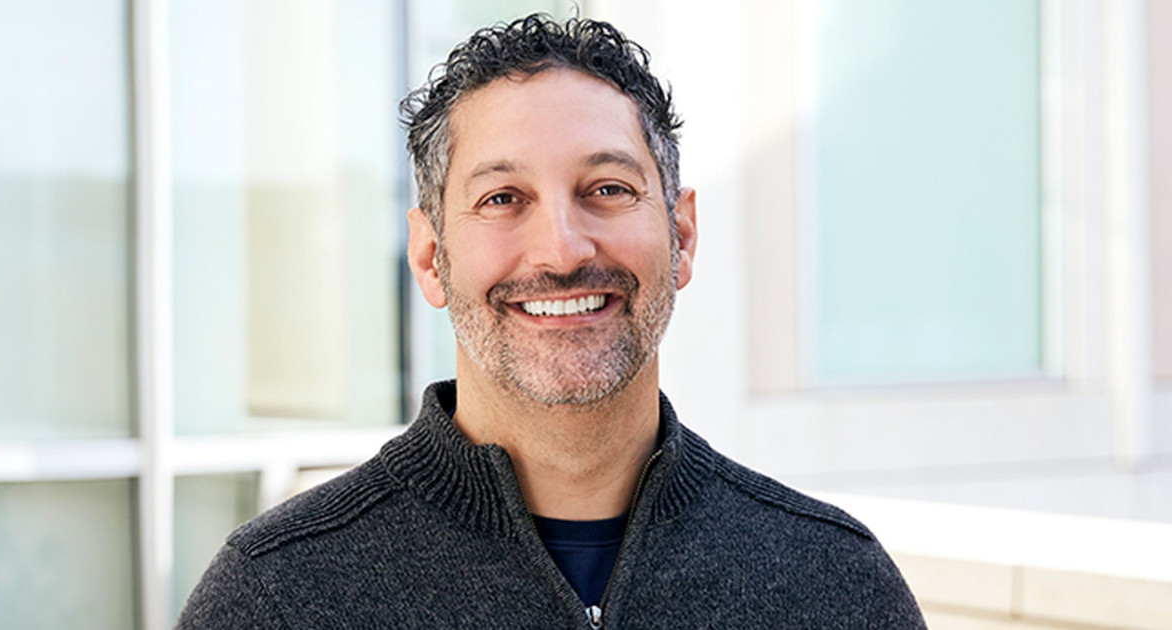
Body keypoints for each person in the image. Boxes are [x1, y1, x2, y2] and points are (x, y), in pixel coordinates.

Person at [176, 13, 926, 629]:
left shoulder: (834, 586)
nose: (562, 250)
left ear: (683, 236)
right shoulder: (277, 599)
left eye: (605, 188)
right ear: (433, 256)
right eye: (503, 198)